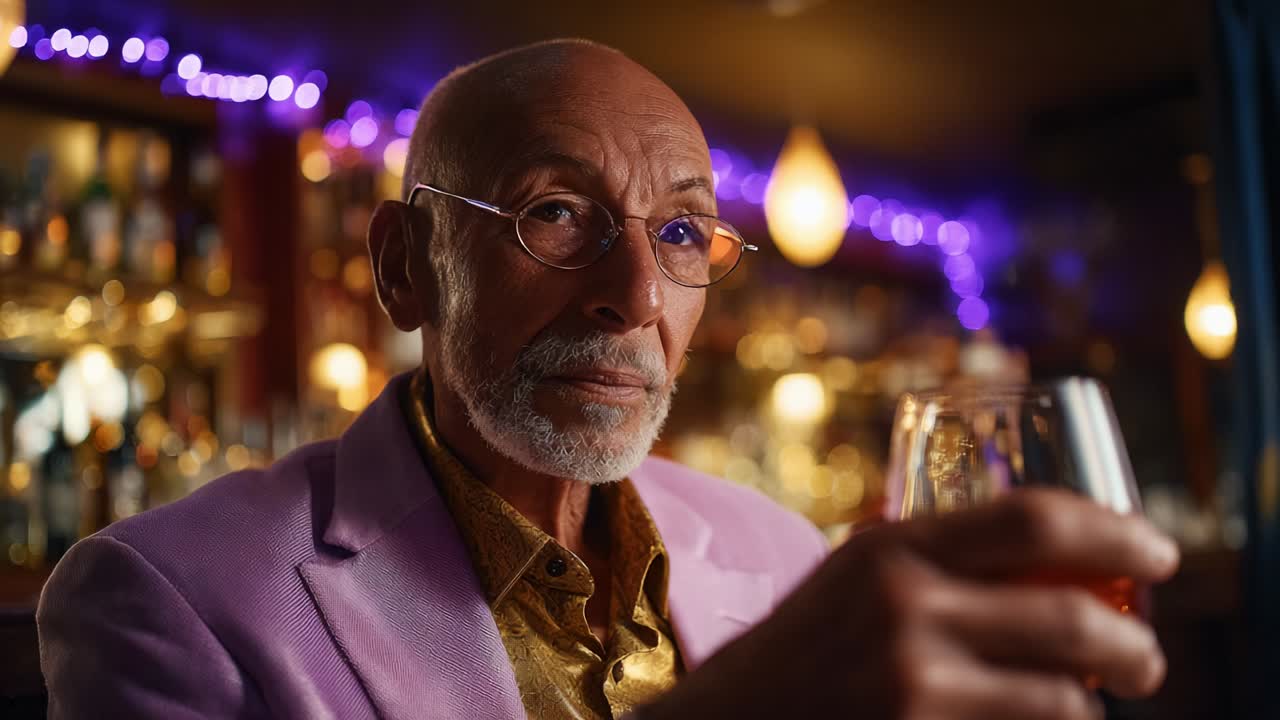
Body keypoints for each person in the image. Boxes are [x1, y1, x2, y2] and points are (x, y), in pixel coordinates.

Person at [37, 39, 1179, 720]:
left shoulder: (781, 550)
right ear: (403, 269)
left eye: (682, 234)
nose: (633, 296)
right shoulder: (165, 596)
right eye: (555, 214)